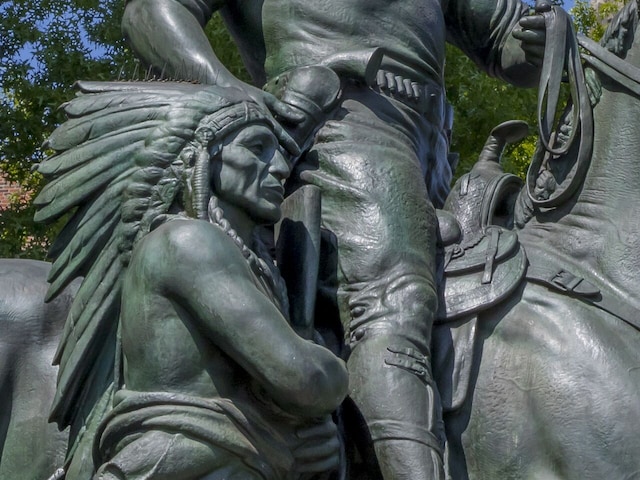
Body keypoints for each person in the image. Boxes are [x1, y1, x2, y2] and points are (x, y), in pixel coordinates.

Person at [120, 0, 548, 476]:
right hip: (338, 130)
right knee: (393, 304)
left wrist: (537, 37)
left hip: (431, 150)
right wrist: (240, 98)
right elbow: (153, 11)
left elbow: (506, 46)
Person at [34, 79, 348, 479]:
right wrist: (331, 366)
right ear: (203, 157)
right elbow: (303, 378)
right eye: (256, 149)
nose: (281, 168)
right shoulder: (188, 242)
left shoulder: (249, 263)